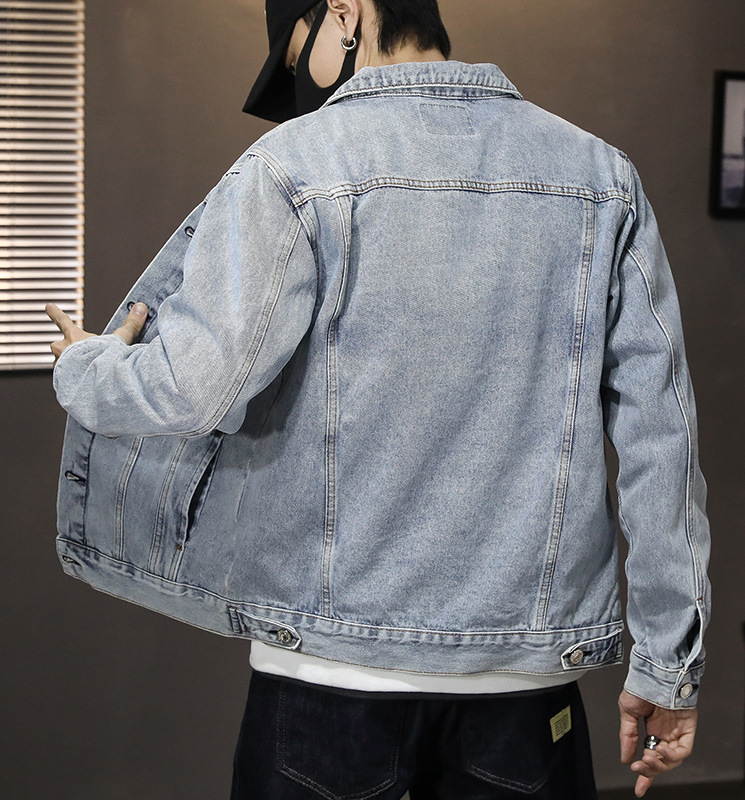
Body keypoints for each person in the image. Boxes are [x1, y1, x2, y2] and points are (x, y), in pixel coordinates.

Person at [45, 1, 710, 798]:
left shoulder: (293, 166)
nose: (300, 79)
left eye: (297, 52)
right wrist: (668, 666)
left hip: (327, 678)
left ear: (345, 11)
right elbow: (661, 444)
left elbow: (192, 388)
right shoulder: (602, 179)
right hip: (525, 682)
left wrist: (84, 366)